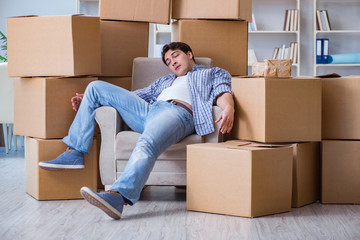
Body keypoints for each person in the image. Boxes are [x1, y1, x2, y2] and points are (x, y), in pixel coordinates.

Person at [38, 42, 234, 220]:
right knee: (95, 87)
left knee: (146, 144)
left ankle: (118, 196)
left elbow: (222, 91)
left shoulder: (211, 73)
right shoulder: (164, 82)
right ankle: (75, 152)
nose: (172, 62)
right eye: (167, 61)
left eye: (175, 56)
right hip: (150, 111)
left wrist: (229, 108)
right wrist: (90, 98)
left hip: (179, 114)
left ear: (189, 54)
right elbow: (136, 96)